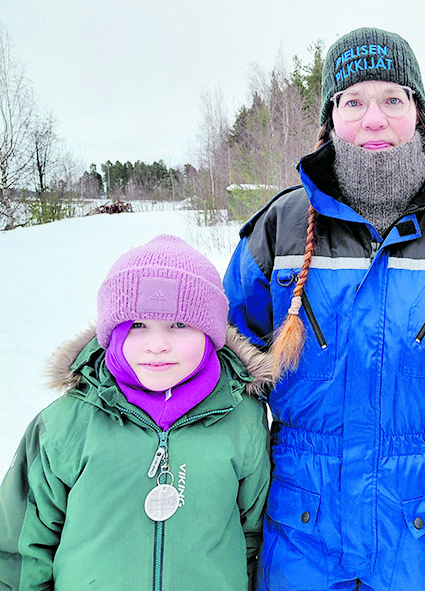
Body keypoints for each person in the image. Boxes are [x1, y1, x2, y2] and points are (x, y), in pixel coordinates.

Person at [223, 27, 425, 591]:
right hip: (305, 535)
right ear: (331, 117)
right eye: (354, 101)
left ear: (418, 114)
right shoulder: (280, 232)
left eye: (393, 99)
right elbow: (225, 371)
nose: (374, 119)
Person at [0, 234, 273, 591]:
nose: (157, 345)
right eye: (138, 325)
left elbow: (252, 536)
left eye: (179, 325)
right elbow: (21, 549)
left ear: (211, 333)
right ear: (112, 334)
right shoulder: (66, 424)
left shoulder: (243, 420)